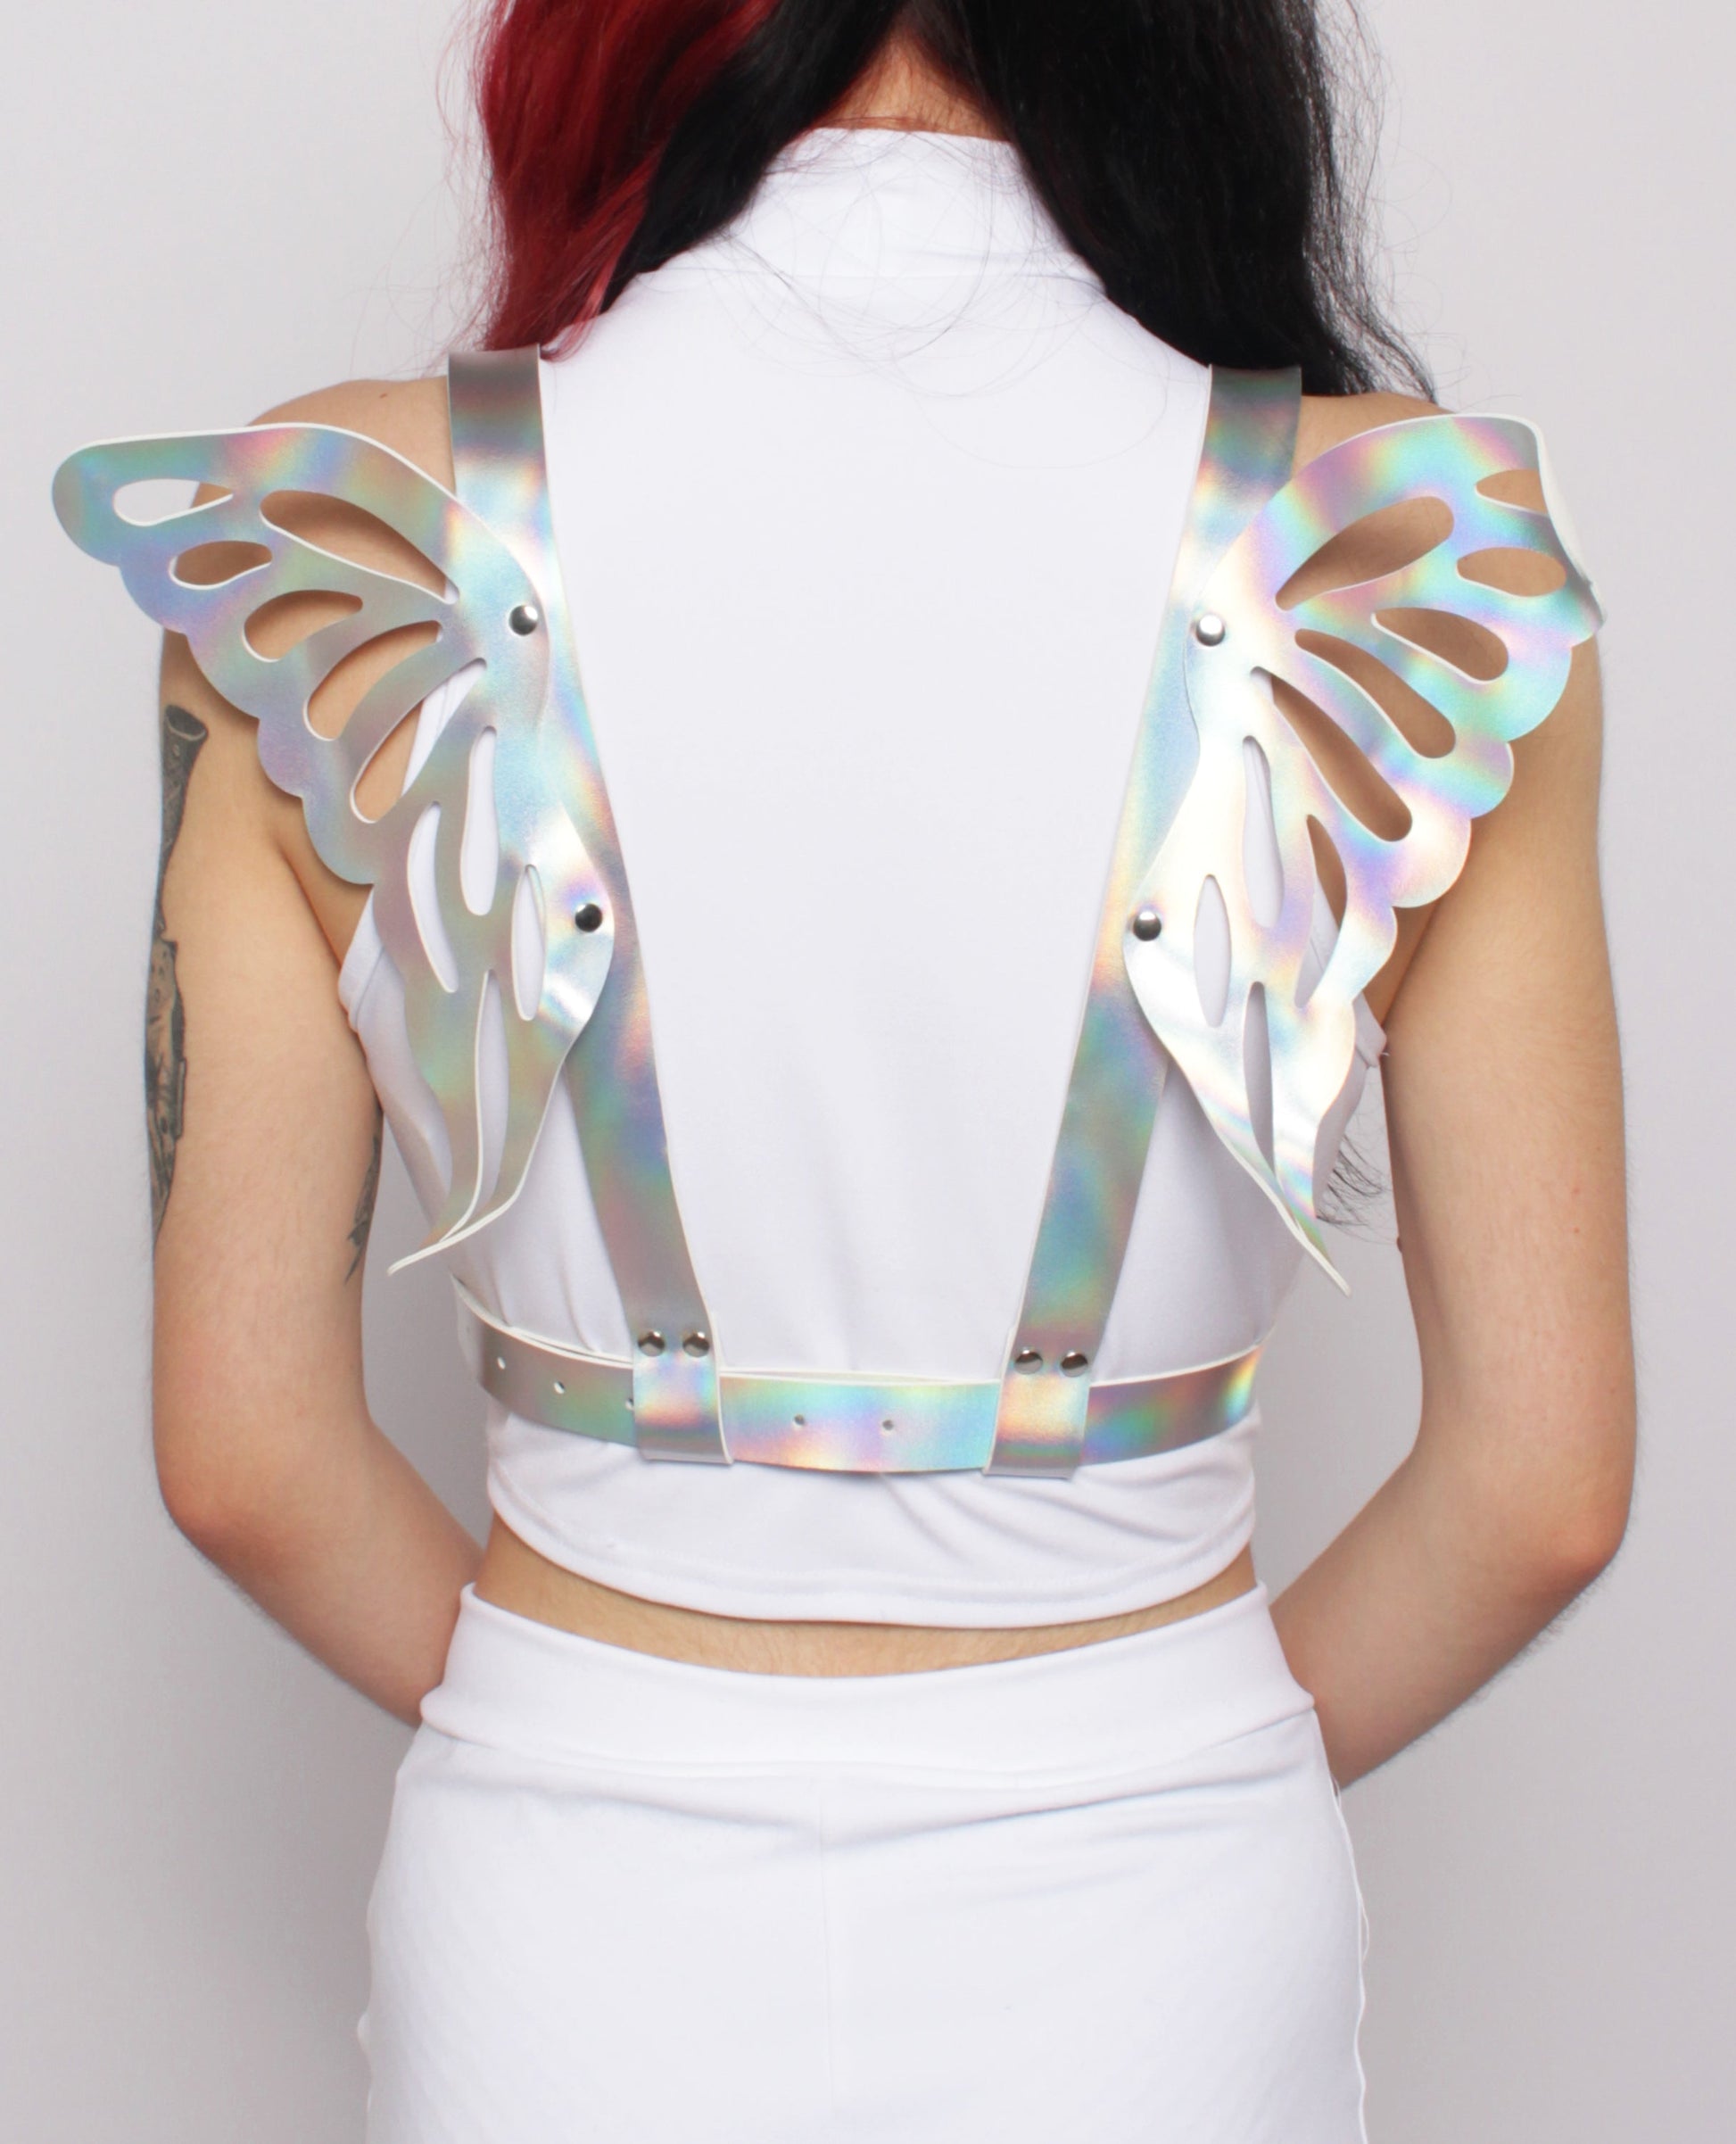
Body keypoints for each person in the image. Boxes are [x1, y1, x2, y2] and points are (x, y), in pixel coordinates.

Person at [55, 3, 1633, 2137]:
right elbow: (1540, 1488)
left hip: (566, 1930)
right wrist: (1165, 1739)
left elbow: (242, 1450)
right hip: (1163, 1929)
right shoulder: (1413, 553)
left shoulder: (346, 520)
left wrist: (595, 1709)